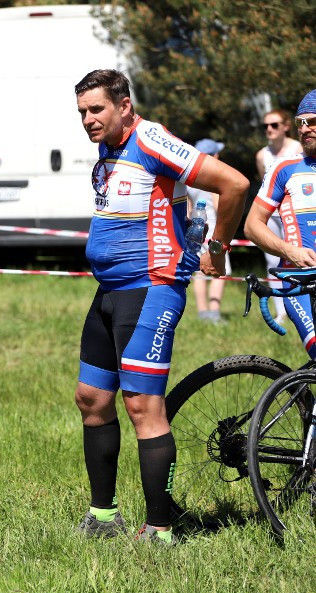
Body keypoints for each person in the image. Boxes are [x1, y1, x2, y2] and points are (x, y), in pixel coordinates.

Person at [72, 69, 248, 543]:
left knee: (142, 405)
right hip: (110, 291)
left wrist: (218, 247)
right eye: (82, 112)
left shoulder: (150, 139)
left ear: (124, 106)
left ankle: (160, 529)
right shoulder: (109, 148)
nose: (88, 119)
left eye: (97, 109)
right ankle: (103, 517)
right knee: (91, 399)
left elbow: (234, 183)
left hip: (151, 287)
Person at [244, 89, 316, 357]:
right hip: (301, 282)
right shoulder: (285, 167)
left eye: (312, 121)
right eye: (300, 123)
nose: (304, 129)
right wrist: (290, 251)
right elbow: (252, 225)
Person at [255, 109, 303, 323]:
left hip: (297, 213)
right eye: (265, 125)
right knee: (273, 259)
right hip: (273, 215)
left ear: (286, 126)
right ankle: (281, 310)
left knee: (302, 257)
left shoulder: (298, 148)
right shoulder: (261, 155)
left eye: (274, 125)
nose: (269, 129)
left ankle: (303, 305)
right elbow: (265, 188)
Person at [189, 138, 230, 324]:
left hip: (196, 229)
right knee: (219, 271)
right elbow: (219, 205)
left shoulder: (190, 179)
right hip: (214, 231)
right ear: (215, 156)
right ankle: (214, 313)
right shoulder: (216, 178)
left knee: (199, 272)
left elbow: (189, 207)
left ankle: (202, 312)